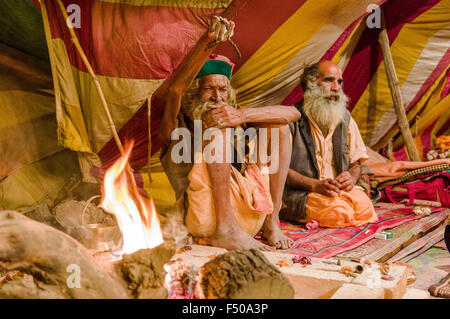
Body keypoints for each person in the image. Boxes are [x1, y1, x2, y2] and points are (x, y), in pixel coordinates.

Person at [158, 16, 300, 250]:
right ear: (195, 92)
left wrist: (242, 116)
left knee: (280, 129)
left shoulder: (237, 124)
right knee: (216, 133)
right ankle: (226, 230)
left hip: (250, 214)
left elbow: (293, 113)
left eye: (222, 90)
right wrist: (210, 42)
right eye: (208, 89)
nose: (217, 97)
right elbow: (175, 89)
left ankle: (272, 223)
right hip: (206, 220)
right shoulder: (176, 130)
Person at [281, 61, 378, 228]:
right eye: (329, 80)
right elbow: (278, 169)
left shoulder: (345, 119)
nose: (336, 88)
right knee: (340, 213)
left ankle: (339, 209)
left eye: (339, 82)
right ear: (310, 84)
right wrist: (315, 185)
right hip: (303, 193)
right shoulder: (292, 120)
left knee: (366, 208)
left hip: (337, 192)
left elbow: (356, 164)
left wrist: (351, 178)